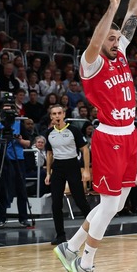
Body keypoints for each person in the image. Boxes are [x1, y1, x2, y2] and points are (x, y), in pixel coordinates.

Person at [53, 0, 137, 272]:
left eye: (117, 37)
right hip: (108, 138)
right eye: (111, 36)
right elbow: (97, 39)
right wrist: (110, 8)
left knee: (120, 203)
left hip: (129, 136)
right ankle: (86, 262)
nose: (116, 39)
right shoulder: (91, 64)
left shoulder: (120, 53)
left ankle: (70, 247)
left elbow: (136, 9)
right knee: (109, 205)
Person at [44, 104, 92, 245]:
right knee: (56, 202)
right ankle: (60, 235)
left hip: (72, 165)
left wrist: (87, 170)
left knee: (80, 200)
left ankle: (94, 228)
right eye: (54, 114)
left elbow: (85, 150)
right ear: (51, 116)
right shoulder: (49, 133)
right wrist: (48, 173)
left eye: (59, 113)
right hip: (57, 167)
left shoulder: (73, 130)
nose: (57, 116)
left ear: (64, 114)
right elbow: (49, 154)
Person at [0, 104, 31, 228]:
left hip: (17, 159)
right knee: (1, 188)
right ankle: (0, 217)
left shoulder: (19, 125)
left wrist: (19, 140)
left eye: (10, 111)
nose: (8, 114)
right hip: (3, 158)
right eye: (5, 111)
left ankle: (23, 218)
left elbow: (28, 143)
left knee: (21, 189)